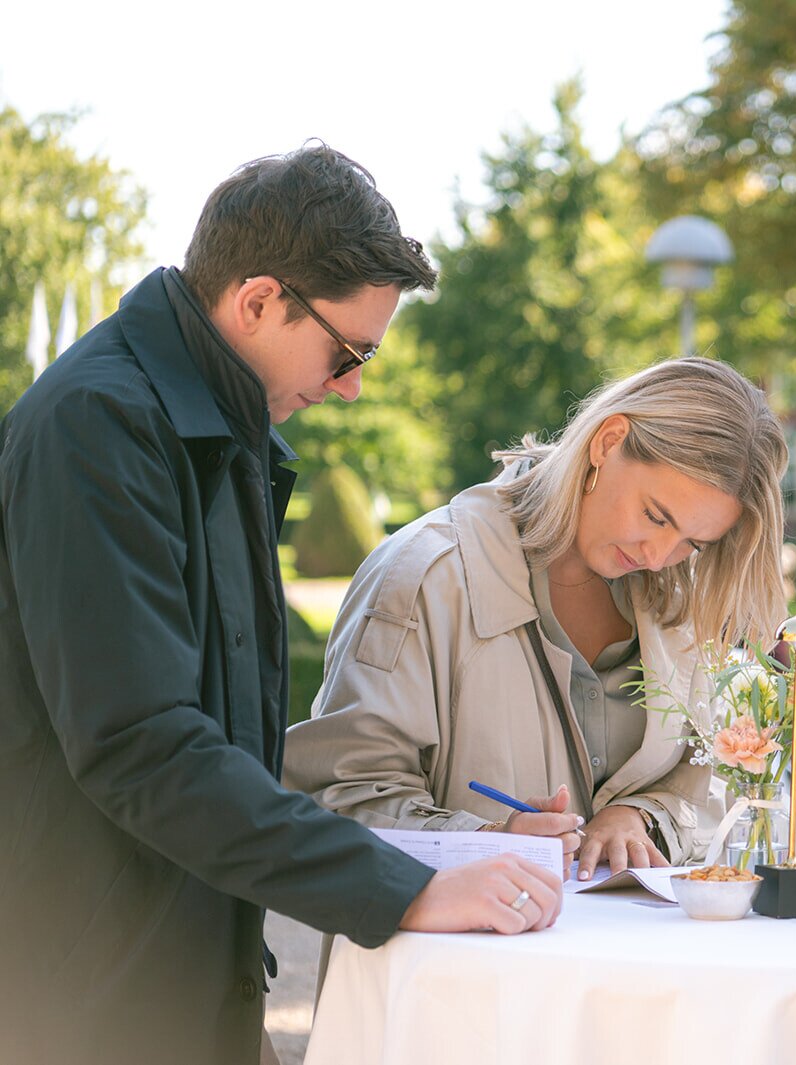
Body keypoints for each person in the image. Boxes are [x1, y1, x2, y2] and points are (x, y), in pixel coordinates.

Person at [0, 146, 562, 1065]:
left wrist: (454, 847)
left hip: (183, 968)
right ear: (258, 300)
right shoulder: (98, 424)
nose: (353, 385)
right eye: (349, 352)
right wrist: (404, 888)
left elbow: (227, 742)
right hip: (87, 991)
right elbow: (142, 745)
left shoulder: (210, 427)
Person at [283, 357, 789, 885]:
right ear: (608, 441)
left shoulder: (682, 604)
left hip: (622, 962)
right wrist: (482, 843)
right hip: (460, 961)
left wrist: (640, 817)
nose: (661, 555)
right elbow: (343, 797)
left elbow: (706, 786)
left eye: (692, 542)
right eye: (655, 516)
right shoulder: (423, 576)